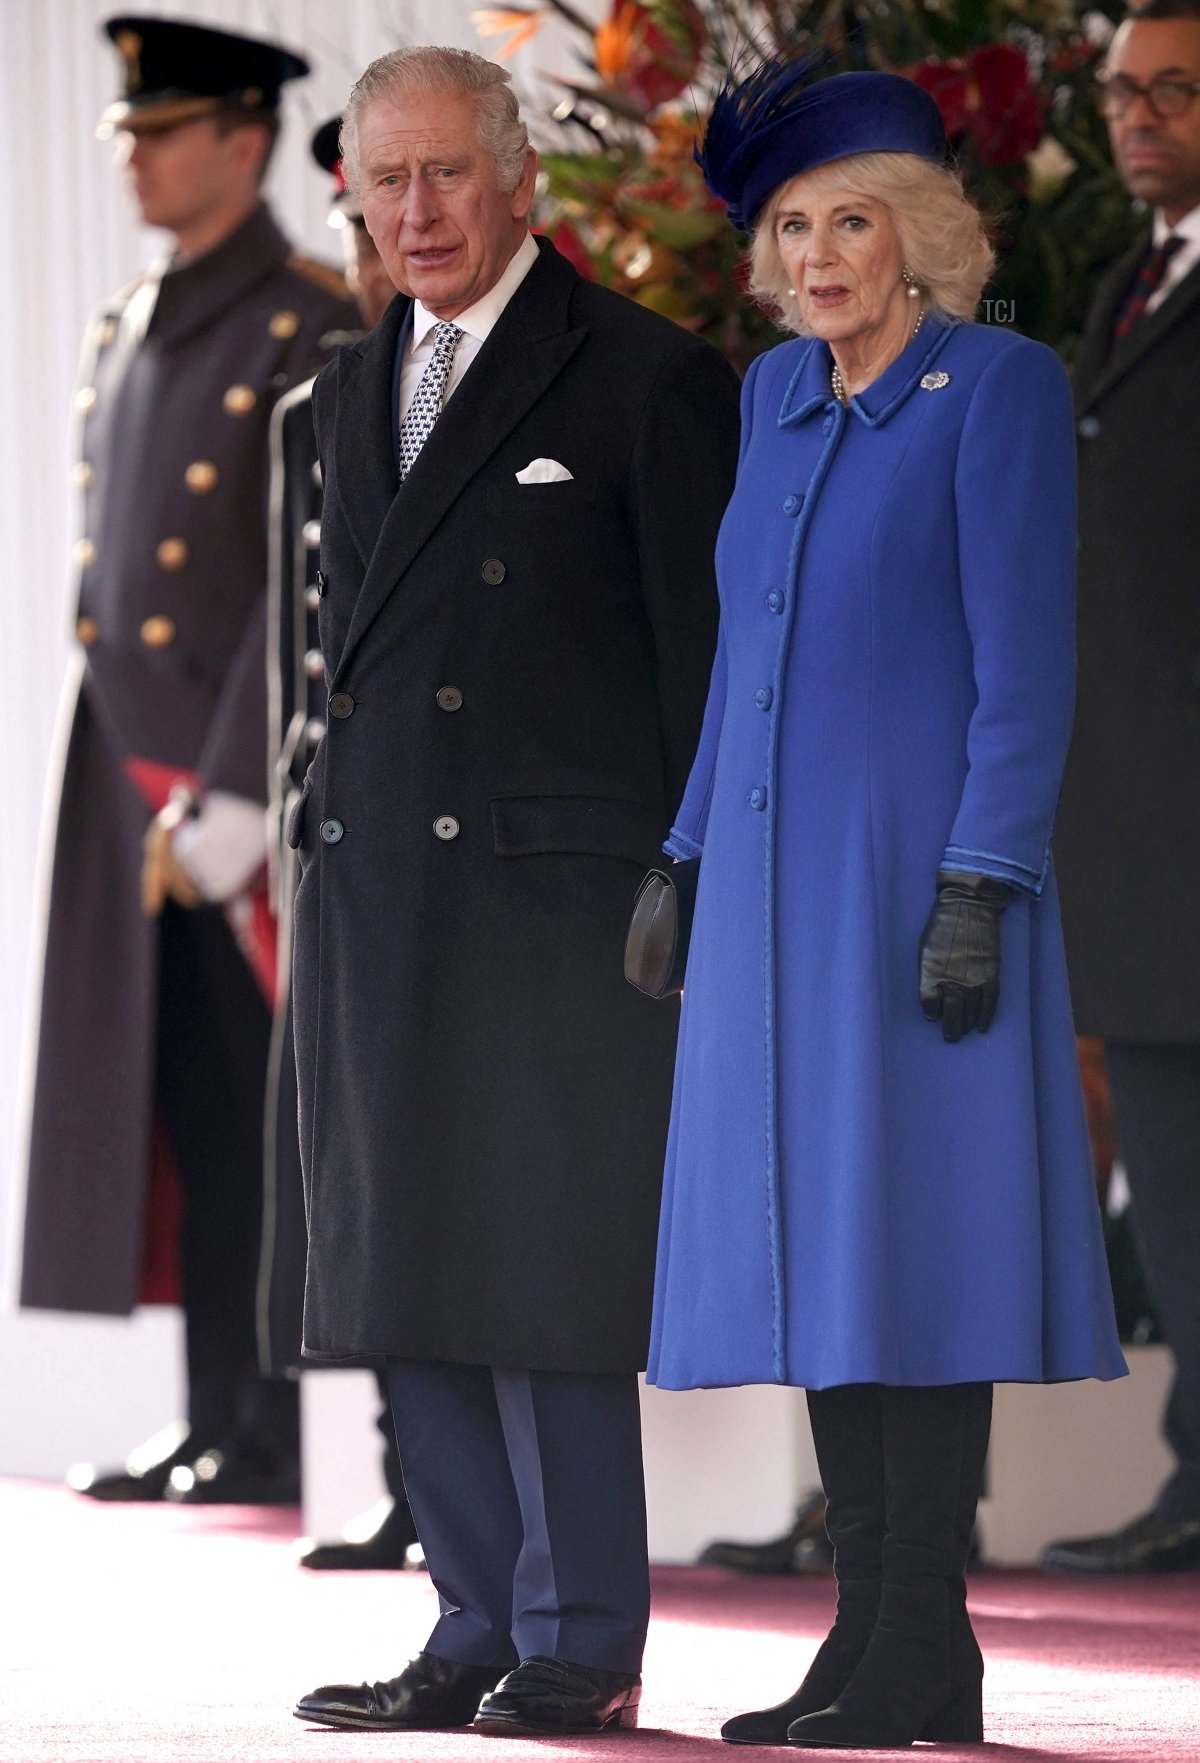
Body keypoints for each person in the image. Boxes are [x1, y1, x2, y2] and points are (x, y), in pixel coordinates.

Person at [645, 62, 1126, 1750]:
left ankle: (929, 1635)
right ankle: (871, 1636)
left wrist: (985, 880)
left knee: (922, 1253)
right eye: (793, 225)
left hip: (921, 895)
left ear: (921, 236)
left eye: (854, 217)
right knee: (828, 1262)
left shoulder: (993, 387)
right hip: (779, 907)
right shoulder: (774, 400)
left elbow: (1029, 672)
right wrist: (685, 854)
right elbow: (740, 671)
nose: (822, 250)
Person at [289, 45, 740, 1738]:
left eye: (445, 176)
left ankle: (581, 1631)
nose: (415, 212)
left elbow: (704, 676)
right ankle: (472, 1618)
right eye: (384, 180)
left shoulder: (644, 379)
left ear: (519, 179)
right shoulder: (346, 390)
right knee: (409, 1272)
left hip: (564, 915)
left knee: (548, 1285)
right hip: (382, 896)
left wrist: (693, 883)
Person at [17, 15, 358, 1506]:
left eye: (165, 131)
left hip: (239, 781)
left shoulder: (306, 314)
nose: (140, 157)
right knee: (179, 1106)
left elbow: (304, 578)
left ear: (245, 137)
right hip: (131, 773)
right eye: (132, 133)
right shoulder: (129, 320)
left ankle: (275, 1424)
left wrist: (238, 785)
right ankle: (215, 1409)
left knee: (269, 1111)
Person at [1045, 0, 1200, 1577]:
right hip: (1147, 839)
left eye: (1176, 90)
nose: (1138, 116)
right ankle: (1195, 1470)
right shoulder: (1123, 286)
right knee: (1177, 1192)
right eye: (1120, 92)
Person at [261, 116, 420, 1572]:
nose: (369, 260)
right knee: (342, 1179)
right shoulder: (322, 407)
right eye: (357, 230)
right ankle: (397, 1468)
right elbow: (295, 647)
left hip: (438, 846)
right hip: (334, 837)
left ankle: (444, 1487)